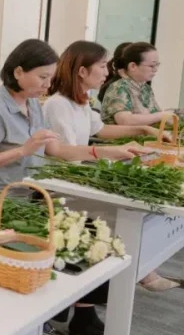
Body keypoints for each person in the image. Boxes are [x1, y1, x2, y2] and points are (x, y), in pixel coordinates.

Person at [45, 40, 177, 294]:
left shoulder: (81, 101)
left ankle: (134, 275)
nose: (107, 72)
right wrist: (106, 154)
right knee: (125, 213)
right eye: (102, 66)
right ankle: (126, 280)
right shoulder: (58, 104)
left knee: (132, 210)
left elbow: (101, 129)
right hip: (61, 185)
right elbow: (64, 153)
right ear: (82, 71)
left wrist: (143, 130)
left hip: (77, 175)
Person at [0, 39, 144, 195]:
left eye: (50, 77)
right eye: (43, 77)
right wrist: (23, 150)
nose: (48, 84)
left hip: (25, 195)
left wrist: (112, 151)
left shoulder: (32, 103)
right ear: (18, 72)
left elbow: (56, 149)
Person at [101, 42, 170, 127]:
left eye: (157, 65)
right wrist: (160, 116)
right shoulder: (119, 87)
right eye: (152, 66)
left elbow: (156, 115)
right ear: (133, 66)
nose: (155, 69)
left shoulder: (146, 88)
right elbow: (125, 121)